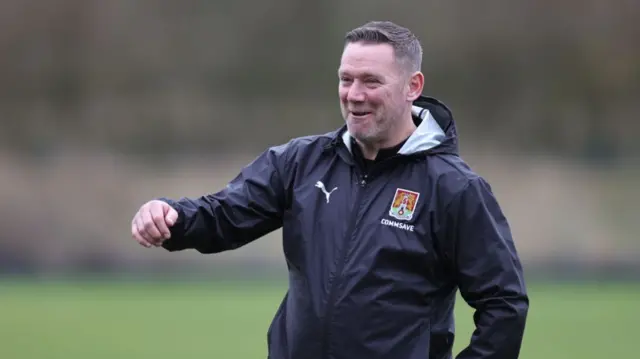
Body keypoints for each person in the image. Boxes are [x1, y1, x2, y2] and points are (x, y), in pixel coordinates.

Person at [131, 21, 529, 359]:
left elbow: (504, 304)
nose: (354, 95)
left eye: (371, 81)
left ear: (413, 86)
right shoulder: (301, 162)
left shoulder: (454, 188)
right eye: (346, 79)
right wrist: (172, 216)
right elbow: (224, 215)